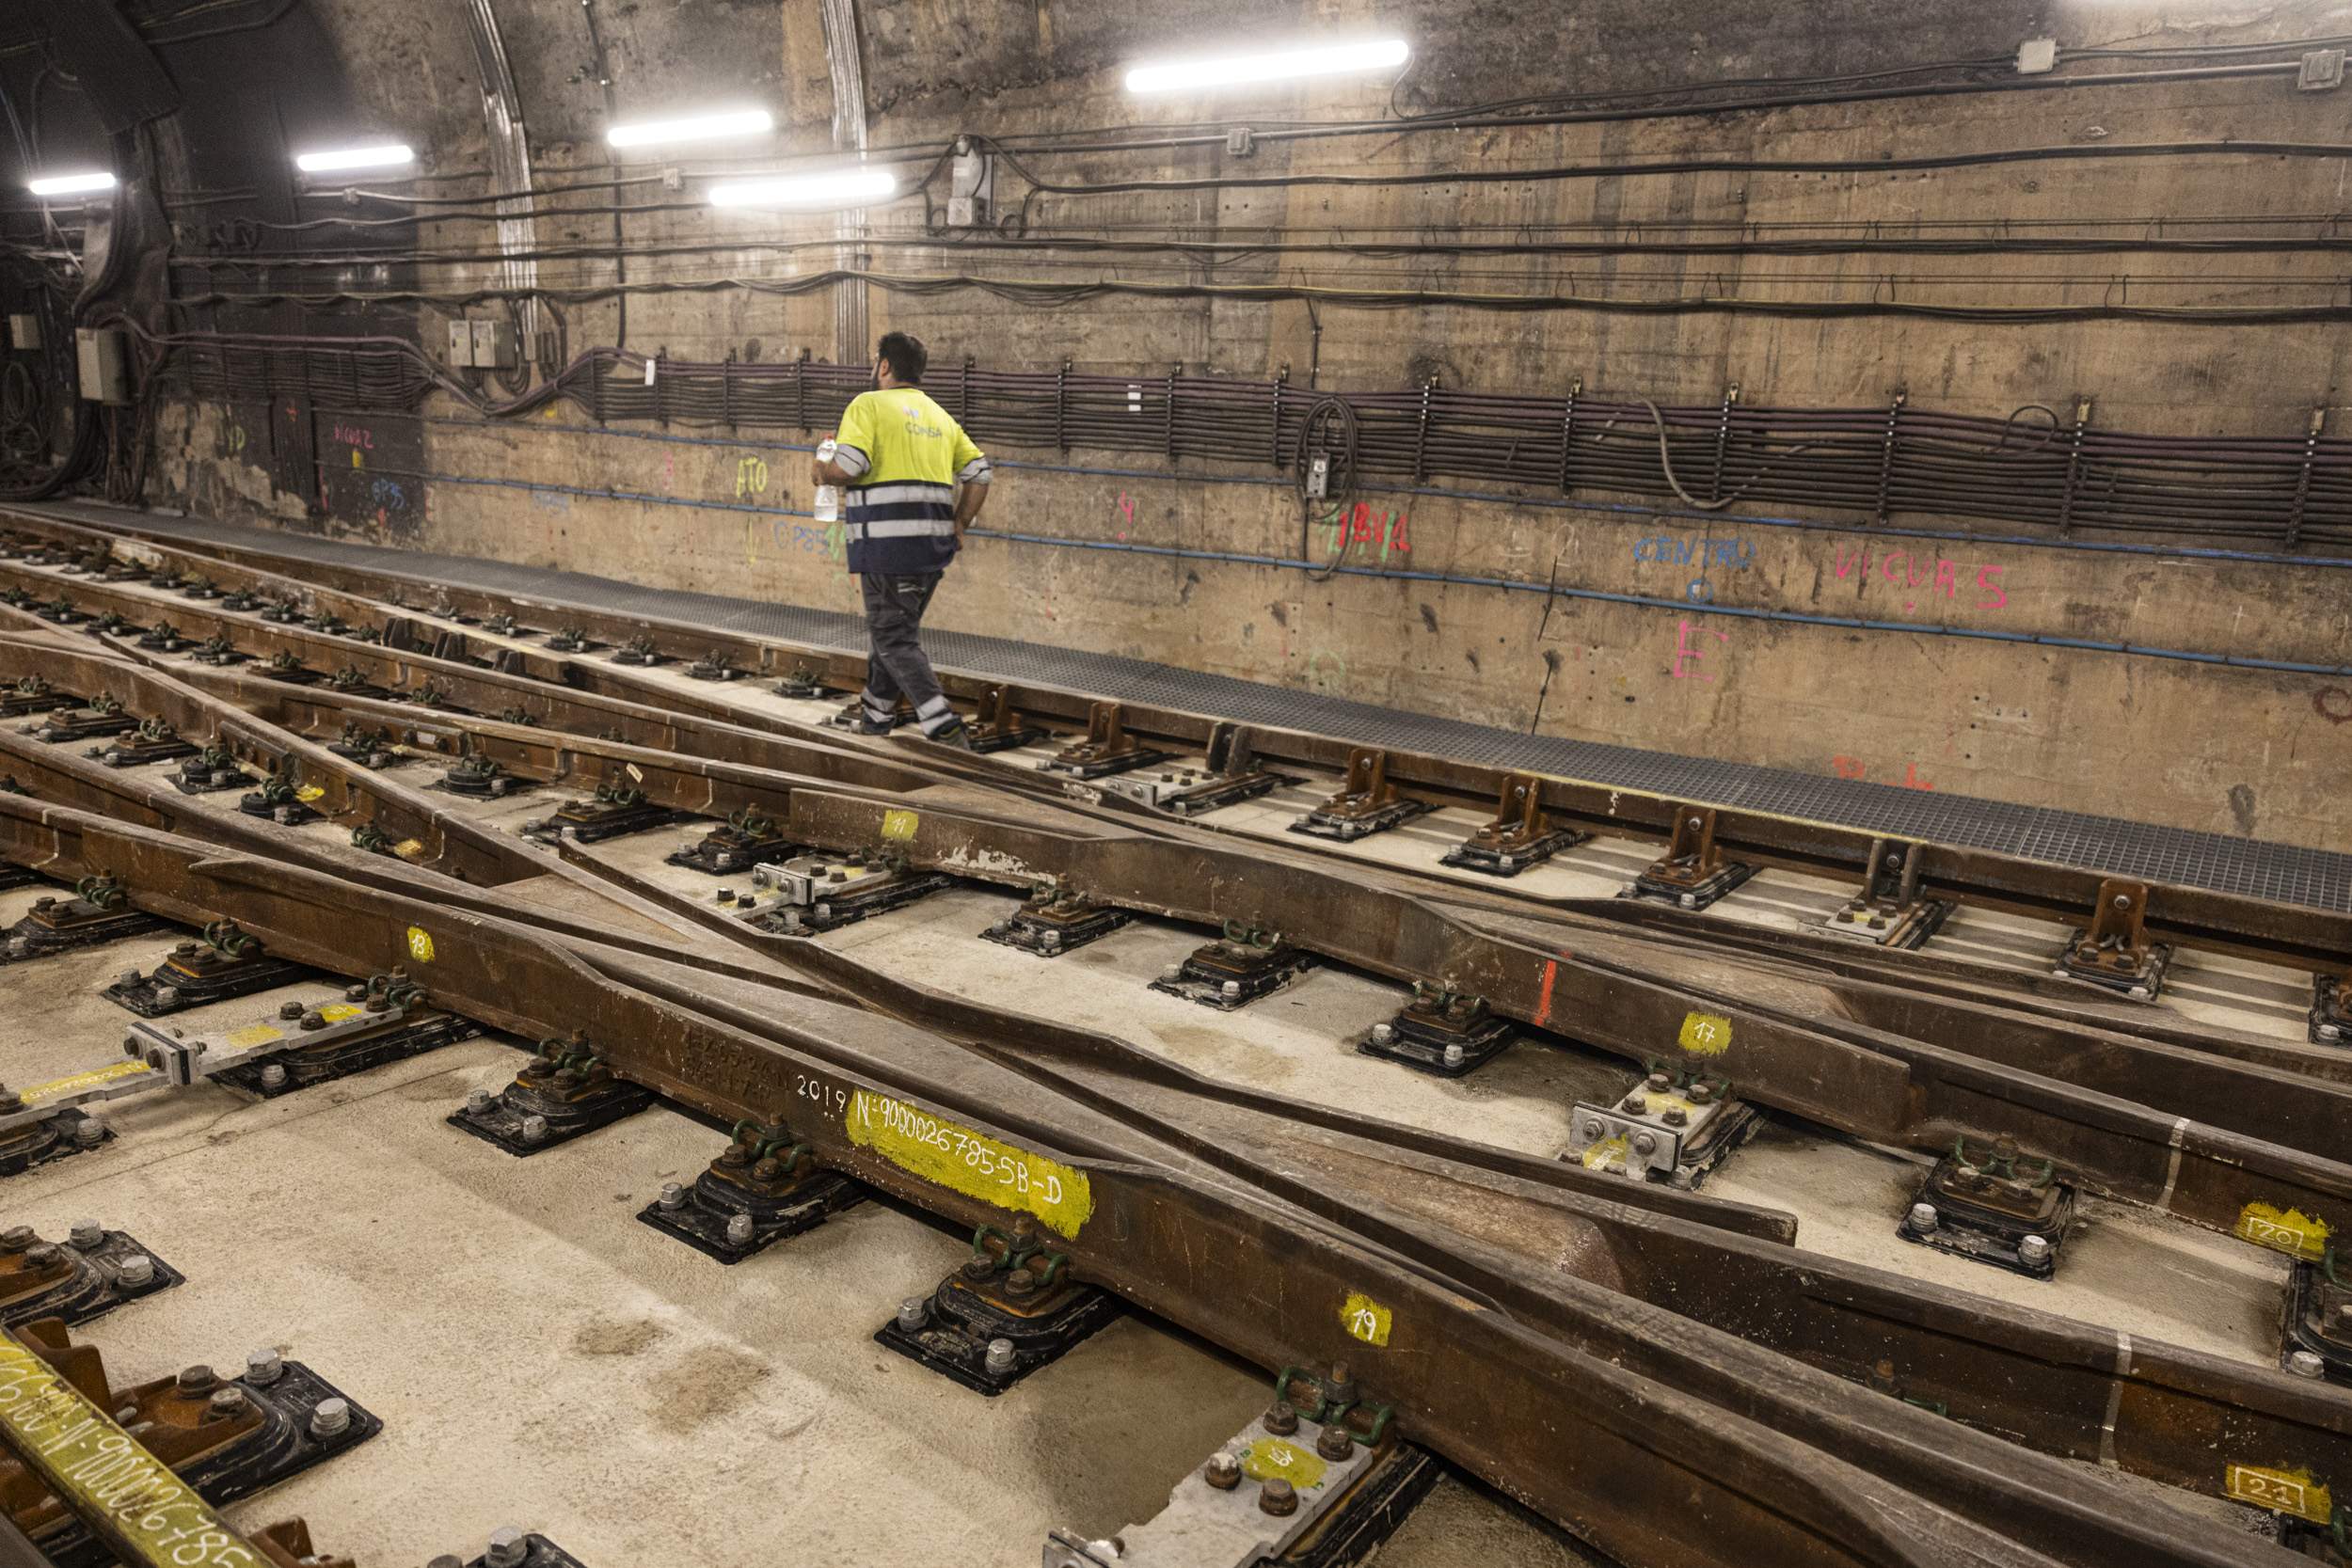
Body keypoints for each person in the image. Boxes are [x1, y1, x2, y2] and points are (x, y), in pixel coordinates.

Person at [811, 330, 993, 748]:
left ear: (885, 366)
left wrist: (821, 471)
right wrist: (960, 523)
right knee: (892, 635)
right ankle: (876, 719)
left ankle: (943, 727)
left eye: (876, 360)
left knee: (893, 639)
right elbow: (980, 473)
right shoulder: (939, 416)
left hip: (886, 550)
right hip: (932, 552)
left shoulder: (867, 405)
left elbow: (850, 466)